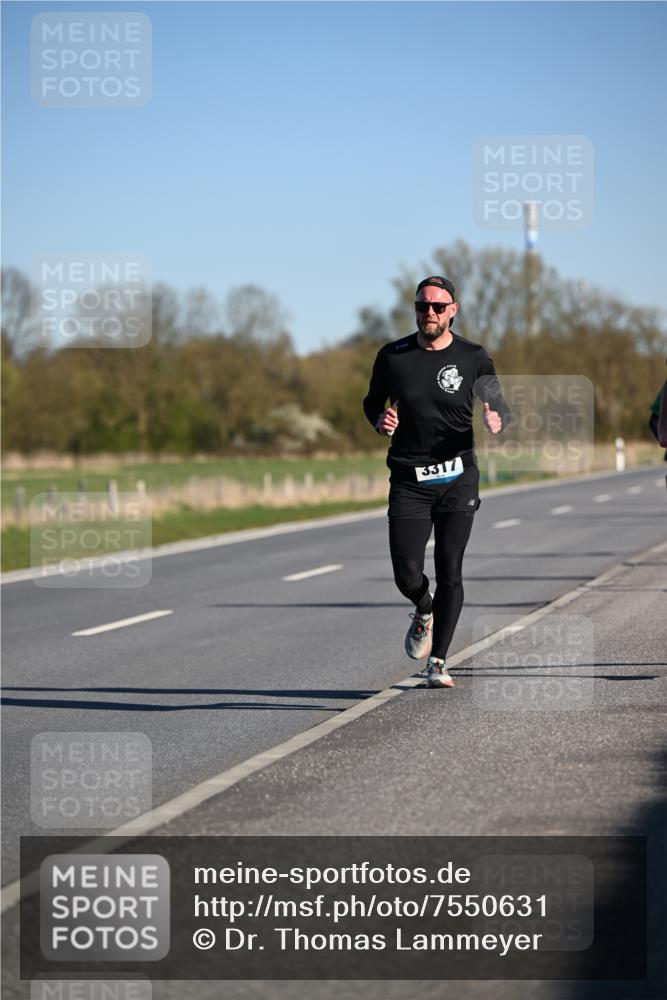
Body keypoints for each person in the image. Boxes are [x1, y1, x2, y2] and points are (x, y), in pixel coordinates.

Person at [363, 276, 510, 688]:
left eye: (437, 307)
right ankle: (423, 608)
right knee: (406, 573)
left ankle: (439, 662)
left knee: (450, 568)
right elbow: (372, 402)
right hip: (409, 479)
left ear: (453, 310)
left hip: (457, 478)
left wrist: (496, 417)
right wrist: (380, 419)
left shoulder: (473, 357)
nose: (429, 313)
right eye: (421, 306)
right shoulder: (393, 356)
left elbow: (499, 404)